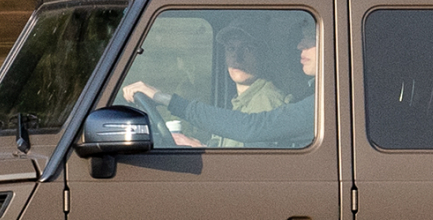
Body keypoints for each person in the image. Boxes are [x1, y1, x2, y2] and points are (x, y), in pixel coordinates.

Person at [123, 29, 316, 149]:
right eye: (231, 49)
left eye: (247, 49)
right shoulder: (239, 101)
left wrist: (163, 98)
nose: (237, 57)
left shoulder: (267, 101)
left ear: (262, 55)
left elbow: (250, 134)